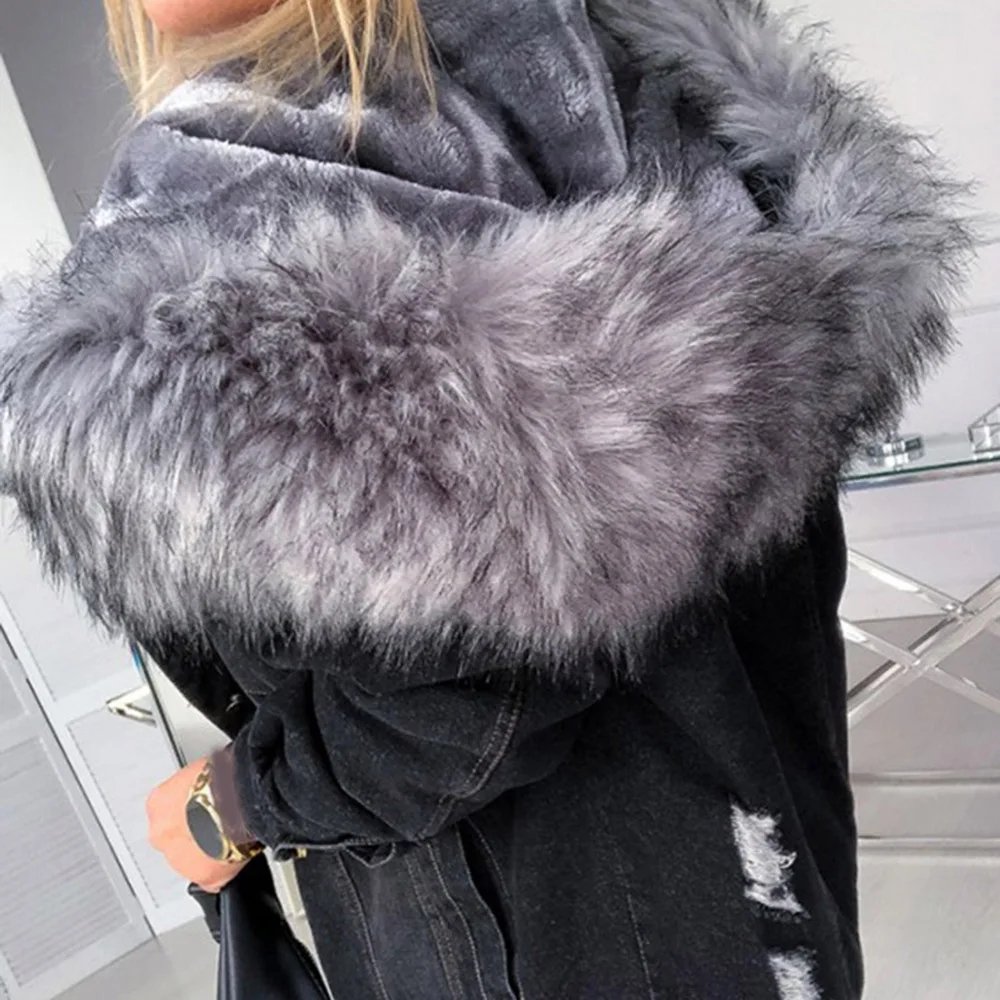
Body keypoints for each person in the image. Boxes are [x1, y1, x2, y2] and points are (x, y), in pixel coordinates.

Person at [0, 0, 970, 997]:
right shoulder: (654, 99)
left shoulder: (227, 184)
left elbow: (450, 710)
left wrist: (230, 803)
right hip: (768, 899)